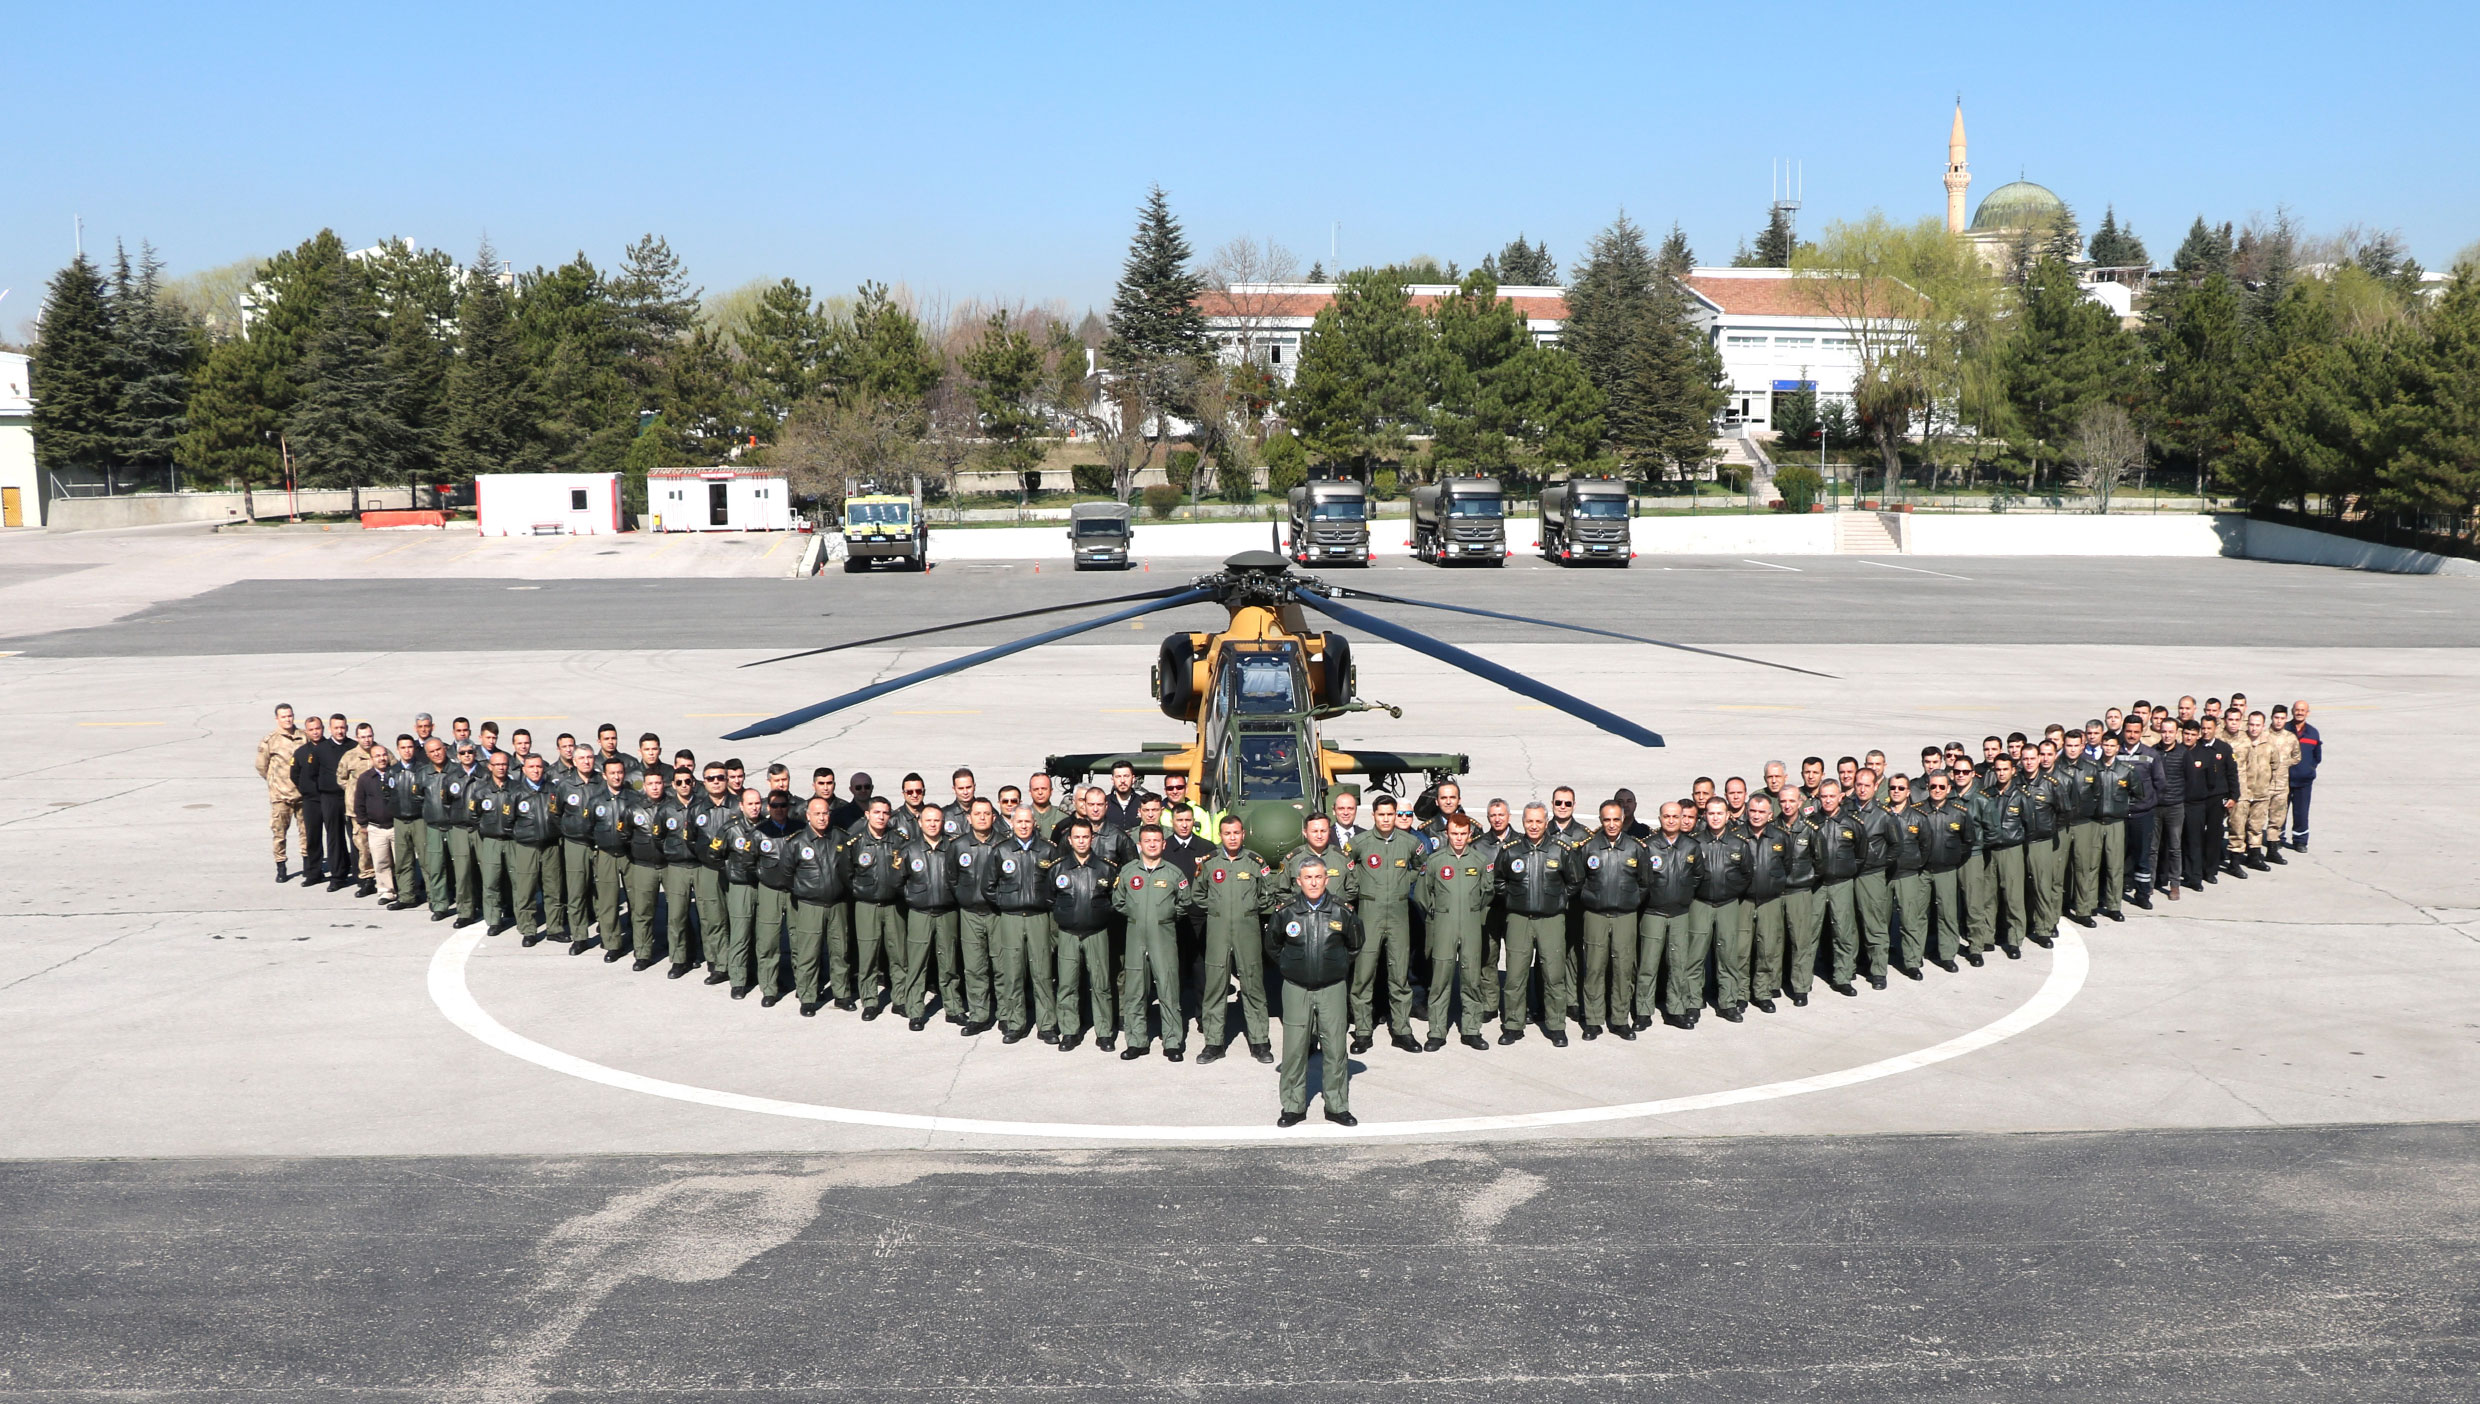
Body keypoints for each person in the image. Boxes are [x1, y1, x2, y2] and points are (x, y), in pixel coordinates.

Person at [1268, 859, 1363, 1128]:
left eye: (1318, 877)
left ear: (1326, 879)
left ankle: (1337, 1105)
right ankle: (1293, 1106)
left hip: (1332, 988)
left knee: (1335, 1048)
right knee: (1295, 1048)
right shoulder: (1286, 912)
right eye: (1307, 877)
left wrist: (1336, 966)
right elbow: (1273, 945)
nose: (1313, 882)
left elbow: (1355, 944)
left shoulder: (1341, 911)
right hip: (1296, 988)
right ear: (1298, 881)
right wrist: (1291, 966)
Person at [1184, 815, 1275, 1063]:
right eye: (1227, 833)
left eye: (1236, 833)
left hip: (1248, 931)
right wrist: (1217, 908)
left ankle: (1259, 1042)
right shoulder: (1210, 863)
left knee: (1253, 985)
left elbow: (1268, 894)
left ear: (1243, 834)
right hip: (1217, 930)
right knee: (1215, 986)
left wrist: (1249, 908)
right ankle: (1214, 1043)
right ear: (1220, 836)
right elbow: (1197, 893)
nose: (1232, 837)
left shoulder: (1255, 862)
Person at [1493, 803, 1577, 1045]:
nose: (1534, 826)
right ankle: (1513, 1025)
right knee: (1515, 976)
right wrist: (1513, 899)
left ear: (1546, 822)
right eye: (1529, 821)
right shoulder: (1510, 850)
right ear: (1523, 821)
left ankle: (1556, 1025)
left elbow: (1574, 881)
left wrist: (1558, 900)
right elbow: (1498, 880)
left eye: (1539, 821)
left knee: (1553, 975)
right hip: (1519, 920)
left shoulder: (1560, 850)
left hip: (1551, 920)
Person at [1345, 796, 1422, 1053]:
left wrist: (1403, 882)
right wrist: (1362, 884)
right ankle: (1363, 1031)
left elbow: (1421, 867)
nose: (1387, 819)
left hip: (1399, 914)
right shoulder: (1360, 843)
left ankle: (1402, 1030)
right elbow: (1347, 867)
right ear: (1374, 816)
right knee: (1364, 975)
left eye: (1391, 814)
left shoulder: (1409, 842)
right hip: (1370, 912)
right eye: (1382, 815)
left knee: (1399, 975)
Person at [1414, 813, 1495, 1051]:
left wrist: (1474, 914)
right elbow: (1422, 894)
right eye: (1454, 834)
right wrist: (1438, 913)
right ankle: (1437, 1032)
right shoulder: (1436, 861)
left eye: (1463, 834)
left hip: (1470, 924)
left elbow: (1487, 894)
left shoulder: (1480, 861)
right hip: (1444, 924)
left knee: (1471, 978)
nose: (1458, 839)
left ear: (1469, 835)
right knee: (1440, 978)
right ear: (1447, 834)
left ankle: (1471, 1030)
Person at [1111, 824, 1190, 1060]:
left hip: (1163, 936)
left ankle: (1173, 1042)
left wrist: (1164, 918)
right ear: (1140, 845)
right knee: (1135, 990)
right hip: (1135, 936)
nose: (1152, 844)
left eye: (1156, 840)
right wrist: (1137, 916)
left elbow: (1184, 904)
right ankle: (1136, 1041)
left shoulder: (1174, 873)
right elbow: (1118, 901)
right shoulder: (1127, 872)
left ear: (1164, 844)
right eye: (1147, 840)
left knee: (1168, 989)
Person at [1573, 800, 1649, 1037]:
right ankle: (1594, 1019)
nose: (1612, 824)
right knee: (1595, 968)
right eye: (1607, 819)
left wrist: (1631, 900)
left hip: (1625, 916)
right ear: (1601, 820)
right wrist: (1591, 898)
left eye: (1616, 819)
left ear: (1623, 819)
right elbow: (1578, 880)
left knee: (1623, 968)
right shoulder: (1589, 847)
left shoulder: (1635, 848)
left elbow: (1645, 882)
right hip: (1595, 915)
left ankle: (1619, 1019)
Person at [987, 806, 1061, 1044]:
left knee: (1042, 972)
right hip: (1011, 919)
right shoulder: (1001, 851)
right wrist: (1007, 902)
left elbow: (1057, 884)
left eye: (1028, 821)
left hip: (1039, 918)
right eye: (1019, 821)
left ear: (1034, 823)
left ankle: (1047, 1025)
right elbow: (988, 885)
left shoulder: (1048, 850)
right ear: (1012, 822)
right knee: (1013, 973)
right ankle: (1015, 1023)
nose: (1024, 825)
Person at [1047, 819, 1117, 1052]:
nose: (1081, 841)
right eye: (1076, 837)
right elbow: (1050, 898)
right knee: (1067, 984)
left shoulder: (1106, 868)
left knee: (1101, 985)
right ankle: (1070, 1031)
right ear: (1069, 840)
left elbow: (1114, 900)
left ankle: (1104, 1032)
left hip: (1097, 933)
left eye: (1085, 837)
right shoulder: (1058, 868)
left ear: (1092, 838)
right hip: (1067, 934)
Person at [787, 796, 853, 1017]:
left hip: (838, 905)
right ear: (808, 816)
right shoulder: (797, 842)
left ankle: (842, 994)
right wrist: (803, 890)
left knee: (840, 951)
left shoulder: (841, 838)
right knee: (809, 954)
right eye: (817, 814)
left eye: (825, 813)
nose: (822, 817)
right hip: (810, 905)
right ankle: (808, 997)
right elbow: (785, 873)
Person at [847, 798, 910, 1020]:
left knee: (898, 954)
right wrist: (860, 891)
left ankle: (900, 999)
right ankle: (870, 1001)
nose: (881, 816)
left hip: (894, 905)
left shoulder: (899, 841)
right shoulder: (855, 841)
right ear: (867, 814)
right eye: (877, 812)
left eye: (885, 812)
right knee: (868, 955)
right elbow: (846, 873)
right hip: (867, 905)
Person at [953, 798, 1004, 1035]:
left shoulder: (1004, 844)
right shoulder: (959, 846)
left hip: (997, 914)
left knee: (1002, 966)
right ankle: (979, 1014)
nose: (982, 817)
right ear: (969, 817)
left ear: (994, 817)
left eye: (987, 813)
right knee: (974, 968)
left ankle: (1006, 1014)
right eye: (977, 813)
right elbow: (952, 879)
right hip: (970, 914)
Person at [1740, 794, 1793, 1011]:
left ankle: (1762, 992)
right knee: (1740, 950)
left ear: (1770, 815)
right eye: (1752, 811)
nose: (1756, 815)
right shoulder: (1737, 837)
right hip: (1743, 901)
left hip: (1770, 900)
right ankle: (1740, 993)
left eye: (1762, 812)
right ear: (1747, 811)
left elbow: (1786, 865)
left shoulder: (1780, 837)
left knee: (1767, 948)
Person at [750, 790, 801, 1003]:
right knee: (768, 940)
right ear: (768, 808)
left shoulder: (800, 830)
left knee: (799, 940)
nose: (779, 809)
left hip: (794, 890)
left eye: (783, 805)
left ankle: (804, 986)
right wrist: (764, 876)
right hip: (770, 890)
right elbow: (748, 861)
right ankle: (769, 989)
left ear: (788, 807)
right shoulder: (759, 832)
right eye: (774, 806)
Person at [716, 788, 767, 999]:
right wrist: (730, 871)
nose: (755, 807)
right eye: (750, 804)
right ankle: (737, 980)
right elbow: (714, 854)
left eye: (757, 803)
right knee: (741, 934)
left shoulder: (768, 826)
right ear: (742, 806)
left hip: (764, 886)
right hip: (741, 886)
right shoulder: (731, 829)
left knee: (764, 936)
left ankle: (763, 977)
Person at [291, 716, 353, 890]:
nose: (315, 732)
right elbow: (296, 774)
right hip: (312, 799)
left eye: (317, 728)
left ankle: (342, 870)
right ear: (306, 732)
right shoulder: (302, 752)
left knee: (336, 836)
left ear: (323, 728)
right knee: (312, 836)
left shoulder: (337, 747)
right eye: (311, 730)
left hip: (333, 798)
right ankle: (313, 872)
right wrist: (308, 789)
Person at [353, 743, 399, 906]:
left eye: (384, 755)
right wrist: (363, 823)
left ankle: (405, 889)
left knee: (401, 860)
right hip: (376, 828)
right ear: (372, 759)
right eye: (377, 756)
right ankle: (386, 891)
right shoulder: (365, 778)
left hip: (396, 826)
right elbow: (359, 803)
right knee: (381, 862)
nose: (382, 758)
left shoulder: (396, 774)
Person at [2286, 699, 2320, 850]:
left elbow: (2317, 756)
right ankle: (2276, 839)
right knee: (2278, 811)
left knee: (2301, 812)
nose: (2299, 712)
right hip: (2283, 779)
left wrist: (2309, 769)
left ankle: (2300, 840)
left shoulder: (2313, 732)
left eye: (2303, 710)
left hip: (2304, 780)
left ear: (2308, 713)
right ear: (2292, 711)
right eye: (2297, 709)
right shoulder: (2284, 729)